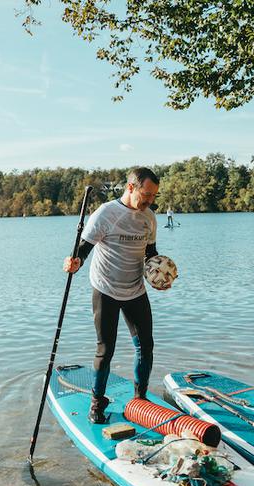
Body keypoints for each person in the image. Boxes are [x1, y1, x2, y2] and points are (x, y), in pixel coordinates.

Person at [64, 167, 165, 424]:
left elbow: (150, 254)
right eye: (146, 194)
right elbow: (83, 248)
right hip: (105, 289)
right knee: (106, 349)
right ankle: (97, 403)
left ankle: (140, 400)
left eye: (154, 195)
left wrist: (159, 274)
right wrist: (75, 262)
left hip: (135, 290)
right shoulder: (106, 213)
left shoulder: (149, 218)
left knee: (146, 346)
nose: (150, 200)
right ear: (131, 187)